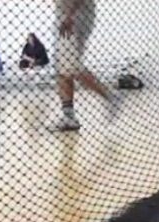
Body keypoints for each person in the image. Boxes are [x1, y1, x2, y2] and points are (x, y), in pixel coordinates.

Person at [52, 0, 122, 132]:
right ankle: (69, 117)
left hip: (73, 15)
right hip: (68, 14)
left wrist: (69, 15)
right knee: (63, 69)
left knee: (69, 66)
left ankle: (110, 95)